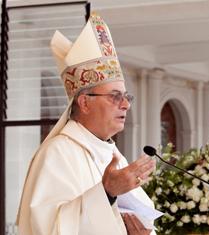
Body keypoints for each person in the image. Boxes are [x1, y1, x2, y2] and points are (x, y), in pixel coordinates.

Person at [16, 12, 158, 235]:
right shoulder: (58, 153)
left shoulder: (113, 154)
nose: (125, 105)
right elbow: (49, 229)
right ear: (84, 102)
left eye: (126, 97)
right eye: (114, 96)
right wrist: (107, 192)